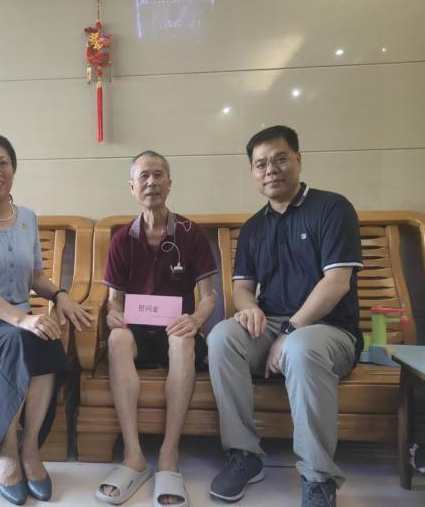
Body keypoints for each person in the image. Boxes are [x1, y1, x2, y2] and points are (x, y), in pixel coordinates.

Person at [207, 125, 363, 507]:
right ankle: (244, 454)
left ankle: (318, 478)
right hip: (274, 325)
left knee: (300, 348)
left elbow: (337, 282)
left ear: (298, 159)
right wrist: (249, 308)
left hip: (330, 329)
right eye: (260, 164)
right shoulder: (253, 228)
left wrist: (290, 331)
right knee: (222, 338)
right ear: (252, 173)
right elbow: (242, 288)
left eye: (279, 159)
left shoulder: (332, 208)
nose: (270, 170)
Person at [0, 132, 92, 505]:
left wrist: (60, 296)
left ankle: (31, 449)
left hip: (17, 326)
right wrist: (22, 320)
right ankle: (8, 451)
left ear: (14, 168)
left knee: (45, 338)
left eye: (2, 163)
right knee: (24, 337)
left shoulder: (27, 218)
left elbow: (36, 277)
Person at [95, 151, 217, 507]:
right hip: (137, 331)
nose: (151, 182)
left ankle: (168, 455)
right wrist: (113, 315)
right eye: (143, 177)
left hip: (176, 329)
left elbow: (209, 297)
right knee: (117, 338)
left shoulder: (191, 234)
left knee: (182, 341)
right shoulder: (122, 239)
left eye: (158, 175)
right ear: (132, 187)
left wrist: (196, 320)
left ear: (170, 183)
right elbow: (114, 300)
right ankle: (133, 455)